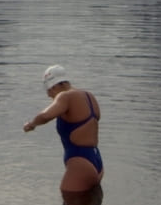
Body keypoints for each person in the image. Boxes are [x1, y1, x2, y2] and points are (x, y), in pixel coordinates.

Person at [23, 64, 103, 193]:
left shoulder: (65, 96)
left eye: (49, 91)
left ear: (55, 85)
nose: (49, 96)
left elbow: (45, 115)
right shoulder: (89, 96)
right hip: (96, 159)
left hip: (80, 163)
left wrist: (32, 124)